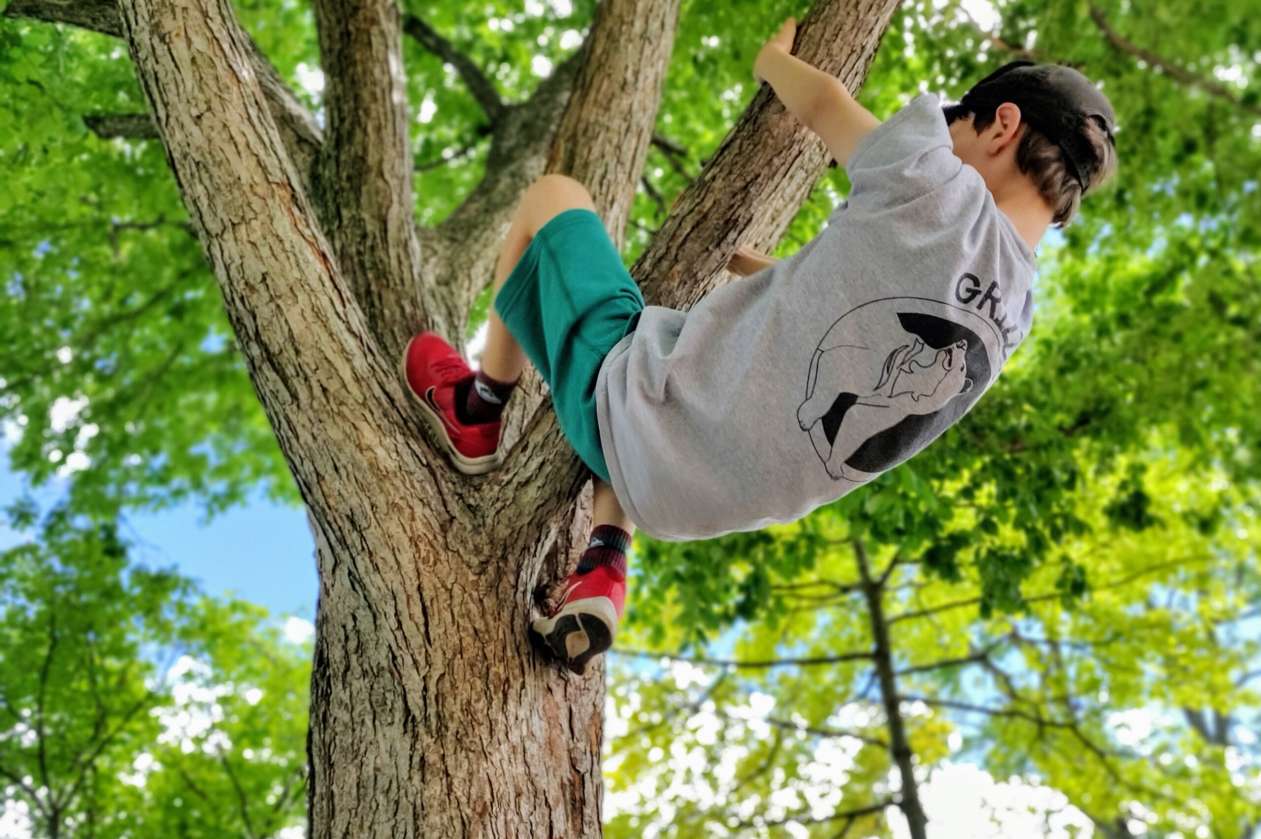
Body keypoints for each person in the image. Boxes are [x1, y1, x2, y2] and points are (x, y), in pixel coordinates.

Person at [402, 18, 1118, 673]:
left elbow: (822, 105)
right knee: (685, 353)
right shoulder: (1010, 317)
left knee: (551, 197)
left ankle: (477, 405)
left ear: (1001, 126)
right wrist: (785, 277)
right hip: (696, 502)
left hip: (641, 412)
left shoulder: (934, 183)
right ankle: (605, 558)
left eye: (962, 130)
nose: (949, 143)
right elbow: (878, 317)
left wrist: (772, 59)